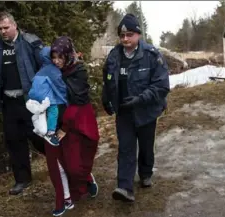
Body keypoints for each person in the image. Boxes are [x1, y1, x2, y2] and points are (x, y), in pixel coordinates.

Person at [102, 14, 170, 202]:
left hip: (146, 112)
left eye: (129, 35)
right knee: (125, 148)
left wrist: (140, 99)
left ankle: (146, 173)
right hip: (124, 112)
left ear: (138, 35)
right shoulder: (114, 56)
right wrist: (106, 98)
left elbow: (162, 86)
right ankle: (124, 187)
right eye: (122, 36)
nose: (125, 39)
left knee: (146, 146)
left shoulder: (151, 55)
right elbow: (107, 79)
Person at [0, 11, 46, 195]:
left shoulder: (30, 42)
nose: (3, 31)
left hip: (29, 101)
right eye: (0, 28)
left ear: (14, 25)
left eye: (6, 27)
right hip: (8, 102)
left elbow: (44, 68)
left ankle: (61, 163)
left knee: (39, 138)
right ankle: (22, 180)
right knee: (14, 141)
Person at [44, 36, 100, 216]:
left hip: (80, 120)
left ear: (68, 55)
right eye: (54, 57)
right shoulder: (54, 71)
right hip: (65, 121)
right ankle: (83, 180)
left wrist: (65, 127)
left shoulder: (79, 71)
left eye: (60, 57)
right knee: (70, 162)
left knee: (81, 160)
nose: (56, 61)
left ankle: (86, 177)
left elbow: (77, 101)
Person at [28, 46, 67, 146]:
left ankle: (38, 128)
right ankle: (50, 133)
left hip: (34, 95)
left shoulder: (42, 68)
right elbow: (60, 86)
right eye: (53, 57)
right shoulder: (53, 69)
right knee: (53, 111)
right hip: (45, 96)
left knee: (42, 113)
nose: (56, 61)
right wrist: (67, 98)